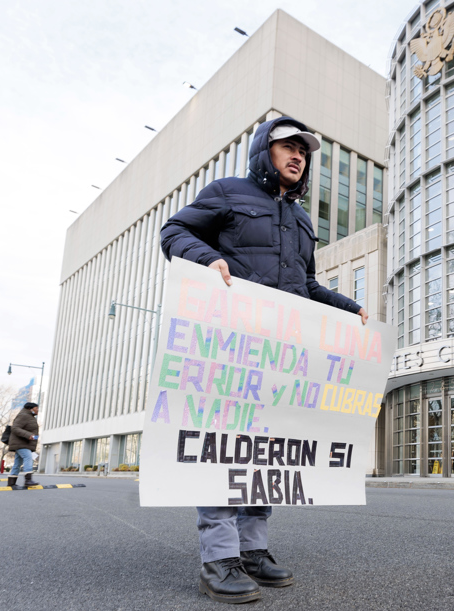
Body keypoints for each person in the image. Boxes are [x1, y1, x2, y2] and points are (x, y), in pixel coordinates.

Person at [161, 116, 369, 604]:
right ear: (264, 151)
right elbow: (174, 231)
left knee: (265, 454)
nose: (297, 155)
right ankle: (218, 558)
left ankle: (252, 550)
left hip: (281, 354)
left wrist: (348, 308)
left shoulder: (302, 220)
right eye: (287, 146)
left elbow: (307, 285)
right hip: (231, 344)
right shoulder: (227, 192)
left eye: (303, 151)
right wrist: (207, 259)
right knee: (226, 449)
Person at [7, 402, 40, 488]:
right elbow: (15, 428)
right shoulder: (24, 415)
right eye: (36, 408)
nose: (38, 410)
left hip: (24, 443)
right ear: (31, 408)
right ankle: (28, 480)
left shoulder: (30, 417)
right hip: (20, 443)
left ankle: (11, 482)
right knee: (28, 457)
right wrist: (29, 435)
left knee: (17, 463)